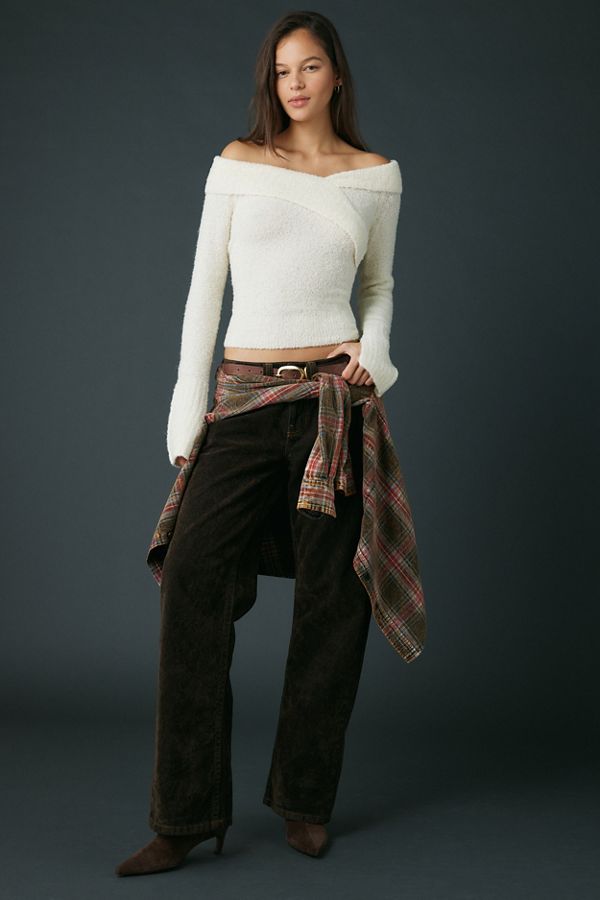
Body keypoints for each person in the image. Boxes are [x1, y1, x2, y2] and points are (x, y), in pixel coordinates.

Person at [115, 10, 426, 878]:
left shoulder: (376, 177)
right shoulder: (237, 163)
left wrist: (377, 356)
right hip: (245, 402)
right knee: (192, 578)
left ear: (336, 75)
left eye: (310, 66)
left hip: (332, 402)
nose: (294, 83)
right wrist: (187, 418)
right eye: (283, 69)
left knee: (334, 599)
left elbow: (378, 285)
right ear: (271, 79)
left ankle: (304, 799)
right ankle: (184, 815)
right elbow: (203, 291)